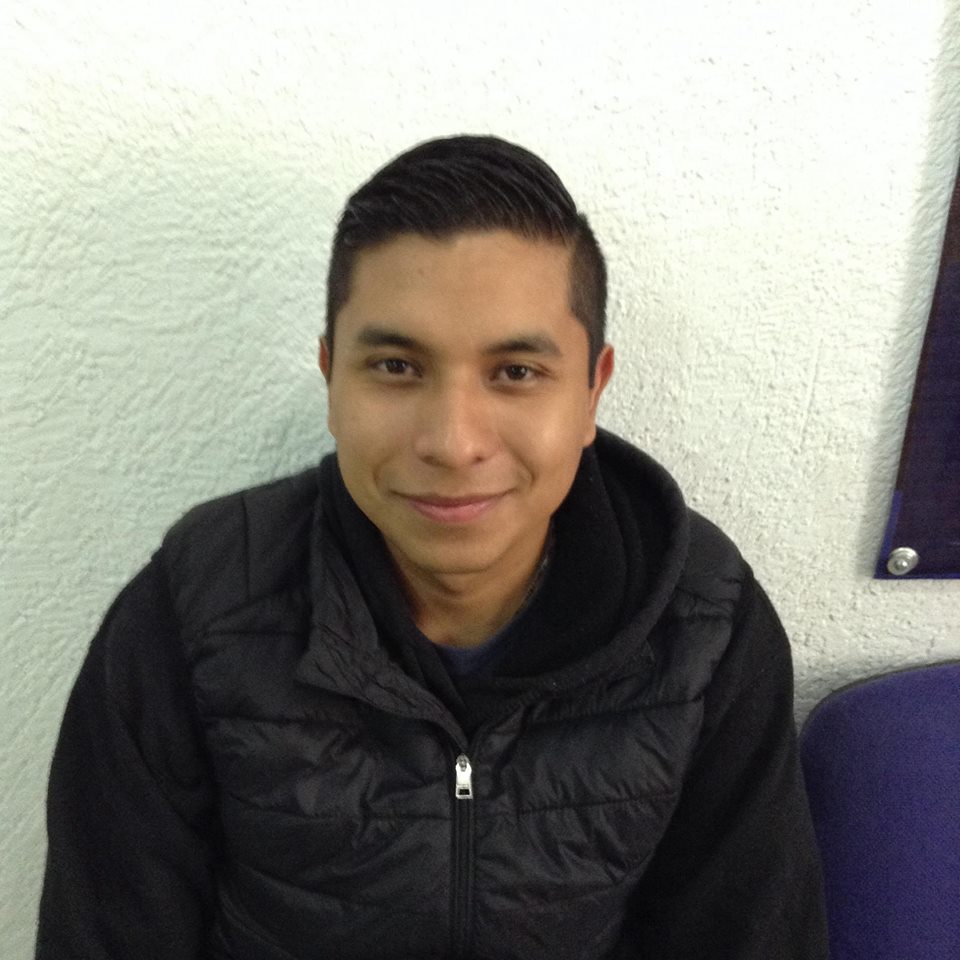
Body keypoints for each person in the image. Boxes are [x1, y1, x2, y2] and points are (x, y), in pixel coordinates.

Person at [36, 135, 829, 960]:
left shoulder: (703, 624)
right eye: (396, 366)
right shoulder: (195, 607)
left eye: (515, 372)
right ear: (331, 378)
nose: (453, 443)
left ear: (593, 390)